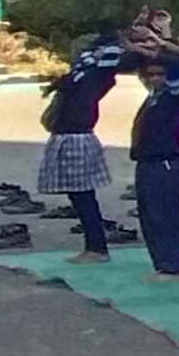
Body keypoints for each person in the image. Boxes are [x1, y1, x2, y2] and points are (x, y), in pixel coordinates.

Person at [33, 32, 126, 264]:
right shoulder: (82, 73)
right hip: (68, 136)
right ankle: (95, 244)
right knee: (79, 195)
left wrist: (122, 40)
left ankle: (96, 247)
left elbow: (112, 53)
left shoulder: (97, 74)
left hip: (76, 137)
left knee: (83, 195)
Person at [123, 30, 179, 282]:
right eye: (150, 75)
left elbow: (177, 67)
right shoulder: (155, 97)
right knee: (149, 213)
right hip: (146, 161)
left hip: (164, 161)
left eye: (160, 75)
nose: (154, 79)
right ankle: (161, 262)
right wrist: (138, 49)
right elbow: (134, 64)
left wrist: (161, 46)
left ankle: (172, 265)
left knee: (165, 212)